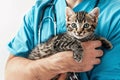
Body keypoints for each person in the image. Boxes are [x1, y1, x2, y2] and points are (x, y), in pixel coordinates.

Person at [5, 0, 120, 80]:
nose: (79, 31)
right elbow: (11, 74)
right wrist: (58, 63)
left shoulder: (115, 15)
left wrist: (34, 72)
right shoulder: (38, 11)